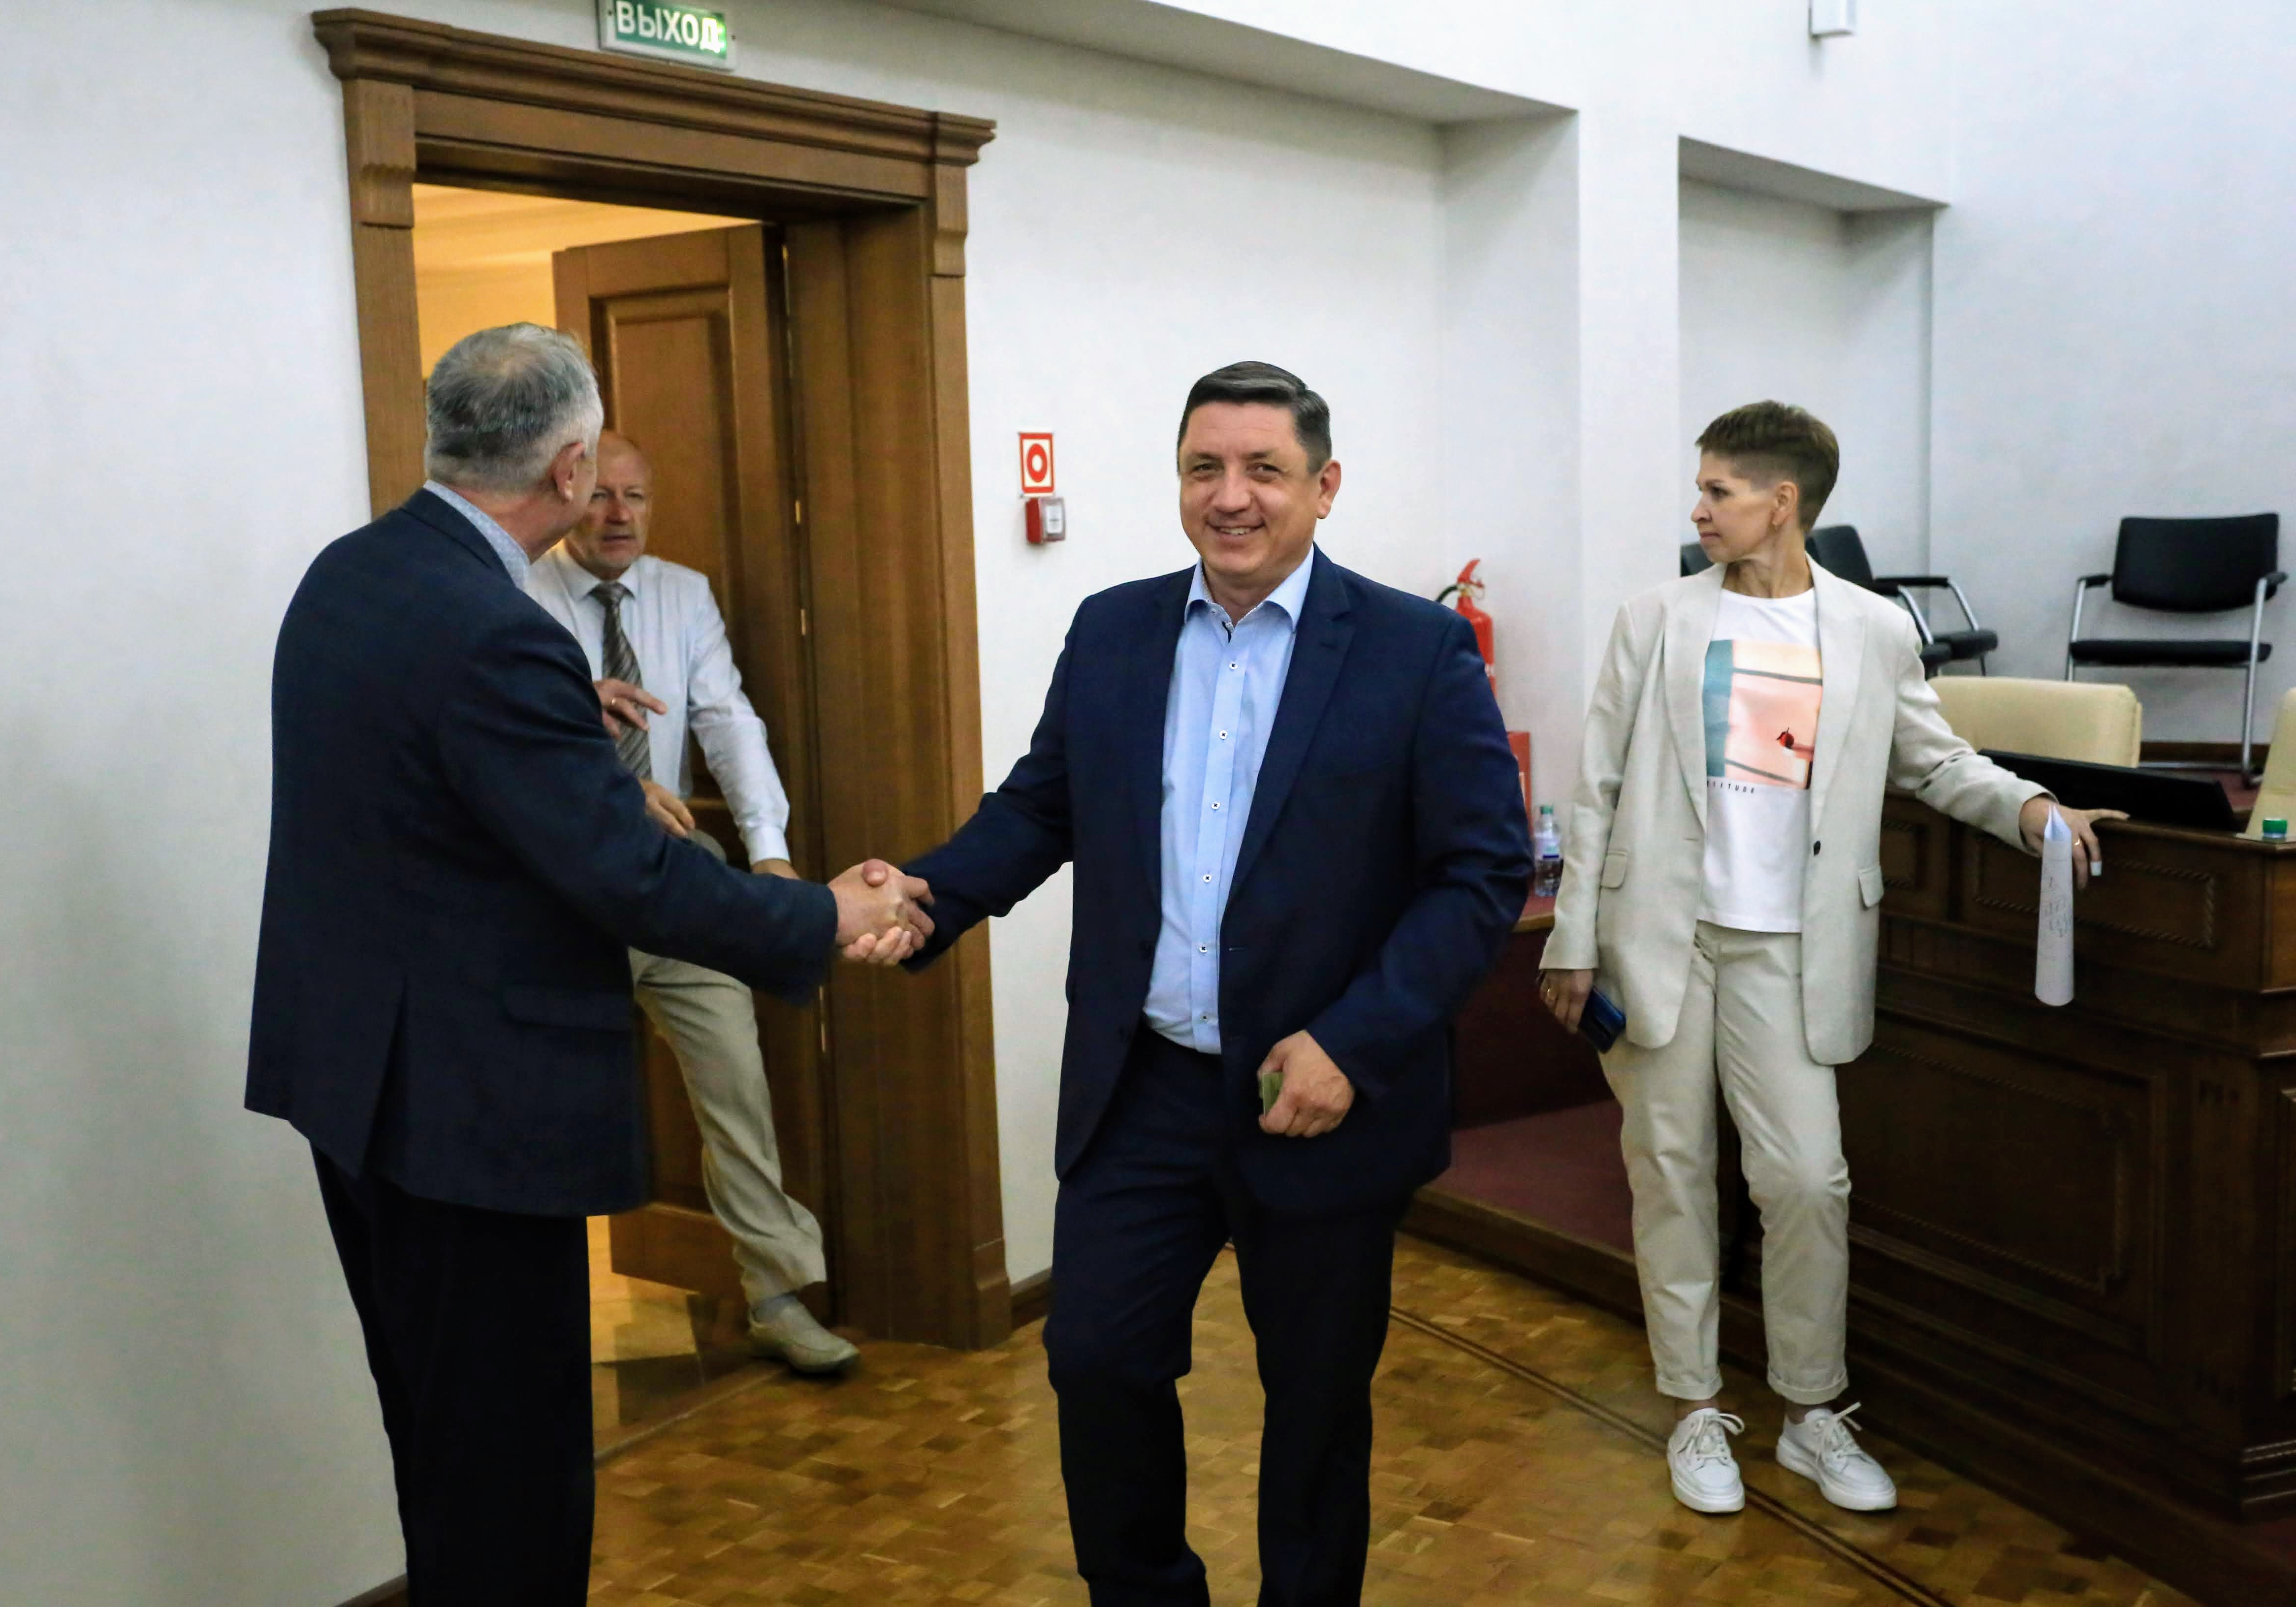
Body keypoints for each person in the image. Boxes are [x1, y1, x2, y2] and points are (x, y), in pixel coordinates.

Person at [247, 324, 931, 1605]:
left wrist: (564, 725)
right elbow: (626, 873)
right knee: (512, 1472)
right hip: (468, 1112)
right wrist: (818, 914)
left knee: (438, 1436)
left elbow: (428, 794)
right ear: (568, 469)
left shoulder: (356, 571)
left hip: (356, 1083)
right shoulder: (495, 631)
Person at [893, 361, 1533, 1606]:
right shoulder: (1113, 629)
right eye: (1204, 467)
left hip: (1318, 1094)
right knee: (1097, 1360)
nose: (1229, 496)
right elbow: (1040, 808)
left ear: (1324, 488)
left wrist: (1353, 1042)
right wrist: (924, 896)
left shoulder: (1415, 650)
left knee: (1315, 1404)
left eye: (1263, 470)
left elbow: (1479, 873)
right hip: (1143, 1086)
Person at [1537, 401, 2119, 1518]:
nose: (1698, 509)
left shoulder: (1870, 627)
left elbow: (1932, 757)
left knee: (1807, 1180)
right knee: (1671, 1171)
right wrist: (1570, 939)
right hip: (1661, 935)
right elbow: (1596, 782)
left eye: (1717, 490)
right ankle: (1695, 1405)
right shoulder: (1655, 618)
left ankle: (1810, 1410)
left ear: (1782, 500)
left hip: (1794, 944)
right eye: (1700, 488)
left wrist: (2029, 807)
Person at [524, 430, 855, 1374]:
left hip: (668, 873)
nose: (617, 515)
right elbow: (523, 744)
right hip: (557, 893)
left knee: (734, 1077)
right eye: (600, 495)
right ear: (568, 492)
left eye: (635, 496)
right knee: (553, 1101)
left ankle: (775, 1294)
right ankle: (541, 1322)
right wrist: (607, 779)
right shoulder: (517, 597)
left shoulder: (683, 593)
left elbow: (727, 719)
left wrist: (770, 855)